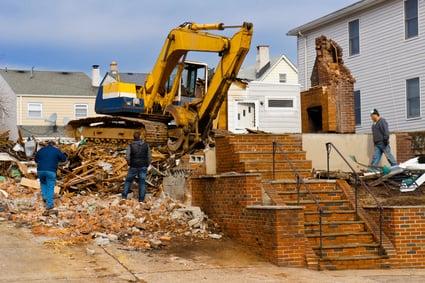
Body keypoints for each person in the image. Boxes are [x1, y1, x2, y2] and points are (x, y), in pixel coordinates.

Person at [34, 140, 67, 215]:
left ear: (47, 145)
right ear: (54, 145)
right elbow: (64, 159)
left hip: (40, 171)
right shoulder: (56, 150)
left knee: (43, 184)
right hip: (51, 171)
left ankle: (45, 198)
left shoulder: (41, 150)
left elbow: (35, 160)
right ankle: (49, 205)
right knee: (50, 186)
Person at [122, 131, 151, 202]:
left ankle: (124, 197)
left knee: (128, 181)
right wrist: (147, 164)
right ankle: (141, 200)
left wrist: (130, 164)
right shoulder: (146, 145)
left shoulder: (130, 145)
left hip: (133, 166)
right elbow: (149, 156)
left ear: (134, 137)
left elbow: (127, 157)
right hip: (143, 166)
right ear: (140, 137)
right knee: (142, 182)